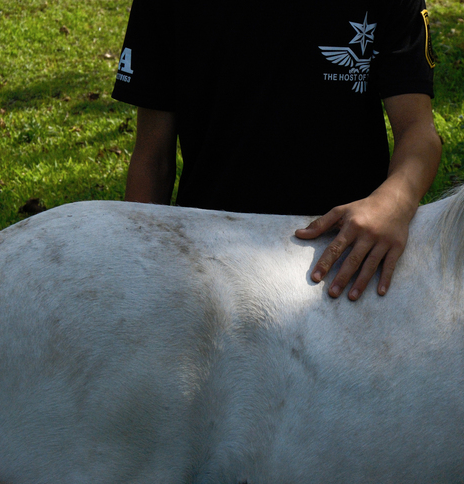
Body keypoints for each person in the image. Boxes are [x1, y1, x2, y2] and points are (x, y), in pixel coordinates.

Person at [111, 0, 442, 301]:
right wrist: (136, 262)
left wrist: (392, 202)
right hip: (210, 256)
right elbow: (153, 158)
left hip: (344, 252)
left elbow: (418, 132)